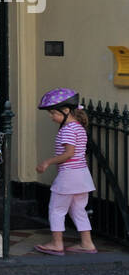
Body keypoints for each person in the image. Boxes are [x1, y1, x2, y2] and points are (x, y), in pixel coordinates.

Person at [34, 88, 96, 255]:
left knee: (56, 209)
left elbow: (68, 154)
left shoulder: (68, 129)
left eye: (53, 113)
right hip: (82, 175)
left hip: (69, 176)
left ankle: (56, 243)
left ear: (66, 110)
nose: (51, 116)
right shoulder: (79, 128)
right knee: (78, 210)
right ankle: (87, 243)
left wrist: (47, 162)